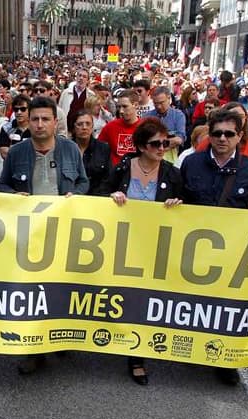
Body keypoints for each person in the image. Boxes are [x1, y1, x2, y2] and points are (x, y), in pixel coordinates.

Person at [0, 96, 89, 375]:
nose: (39, 124)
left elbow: (83, 181)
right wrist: (14, 195)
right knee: (32, 294)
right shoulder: (17, 153)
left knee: (60, 288)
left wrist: (77, 194)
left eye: (45, 119)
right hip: (29, 235)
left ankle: (58, 337)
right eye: (34, 119)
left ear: (55, 121)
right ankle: (33, 349)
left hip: (62, 232)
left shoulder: (71, 150)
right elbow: (1, 185)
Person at [181, 109, 248, 386]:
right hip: (192, 248)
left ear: (239, 137)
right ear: (209, 135)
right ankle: (187, 346)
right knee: (192, 302)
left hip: (232, 250)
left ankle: (223, 360)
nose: (222, 138)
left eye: (228, 134)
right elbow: (178, 196)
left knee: (225, 306)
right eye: (217, 133)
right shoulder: (192, 163)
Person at [106, 118, 183, 385]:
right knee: (117, 296)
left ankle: (137, 355)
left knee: (143, 300)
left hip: (154, 250)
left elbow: (189, 211)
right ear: (140, 146)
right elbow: (102, 194)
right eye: (155, 143)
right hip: (121, 245)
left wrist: (177, 204)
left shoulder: (173, 174)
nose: (162, 147)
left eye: (165, 142)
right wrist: (113, 196)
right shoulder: (124, 167)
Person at [72, 110, 112, 195]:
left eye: (88, 124)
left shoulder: (103, 148)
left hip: (97, 198)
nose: (84, 127)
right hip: (72, 197)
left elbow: (108, 178)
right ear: (74, 127)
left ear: (92, 126)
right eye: (80, 124)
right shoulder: (66, 149)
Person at [143, 86, 186, 165]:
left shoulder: (178, 115)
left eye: (161, 102)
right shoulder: (147, 117)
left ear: (169, 98)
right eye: (156, 103)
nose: (159, 106)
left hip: (171, 161)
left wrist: (155, 145)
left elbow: (179, 139)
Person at [98, 89, 141, 166]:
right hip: (115, 173)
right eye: (119, 107)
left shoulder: (145, 127)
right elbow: (98, 150)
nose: (121, 111)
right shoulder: (110, 127)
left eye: (125, 106)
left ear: (136, 105)